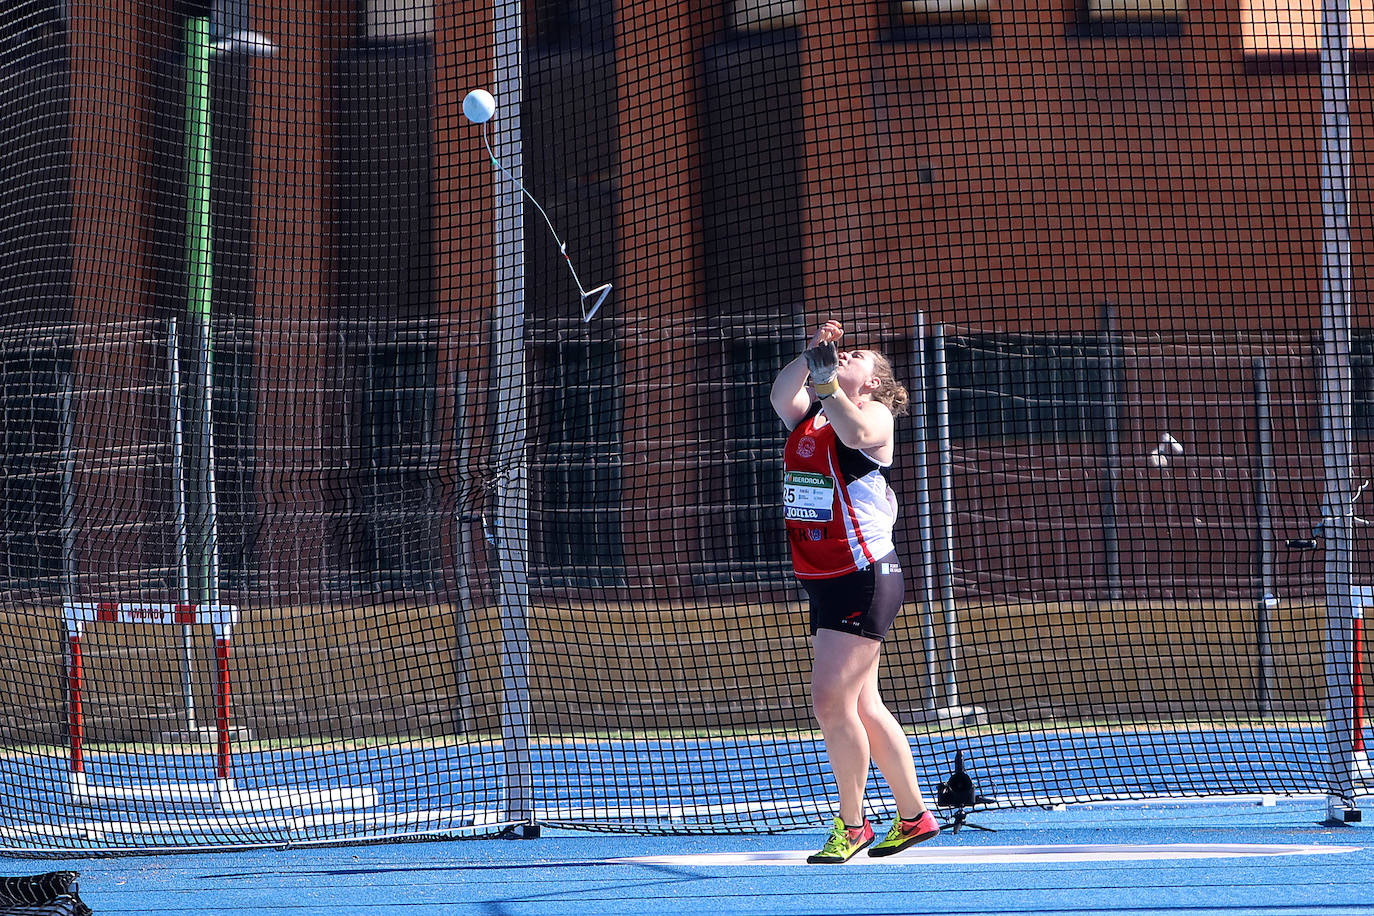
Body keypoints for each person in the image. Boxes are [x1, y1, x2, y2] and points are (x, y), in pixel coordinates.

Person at [769, 318, 940, 863]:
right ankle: (913, 816)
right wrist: (812, 356)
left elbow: (859, 436)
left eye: (858, 356)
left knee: (829, 702)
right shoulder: (812, 417)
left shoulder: (874, 415)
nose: (849, 355)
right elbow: (779, 394)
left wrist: (825, 385)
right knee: (863, 704)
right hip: (823, 579)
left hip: (862, 576)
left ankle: (853, 824)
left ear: (876, 382)